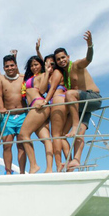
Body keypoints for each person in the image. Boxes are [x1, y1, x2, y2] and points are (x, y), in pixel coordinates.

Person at [54, 30, 101, 170]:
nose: (62, 60)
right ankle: (75, 160)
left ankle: (75, 125)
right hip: (81, 105)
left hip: (93, 98)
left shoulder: (76, 65)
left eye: (63, 57)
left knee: (69, 95)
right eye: (58, 59)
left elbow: (88, 59)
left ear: (68, 56)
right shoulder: (64, 75)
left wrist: (90, 45)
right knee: (73, 133)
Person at [36, 39, 71, 172]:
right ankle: (68, 164)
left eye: (52, 63)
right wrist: (38, 52)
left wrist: (45, 101)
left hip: (58, 100)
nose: (50, 65)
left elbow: (51, 90)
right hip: (56, 102)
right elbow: (43, 89)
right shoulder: (48, 75)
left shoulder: (57, 73)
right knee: (60, 135)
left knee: (55, 135)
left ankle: (59, 166)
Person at [19, 55, 53, 173]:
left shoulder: (43, 75)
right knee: (46, 139)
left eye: (36, 64)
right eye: (32, 65)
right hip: (35, 106)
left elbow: (42, 90)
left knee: (23, 134)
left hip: (38, 104)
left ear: (41, 65)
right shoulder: (29, 77)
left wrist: (47, 72)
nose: (34, 67)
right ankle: (49, 168)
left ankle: (34, 165)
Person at [0, 55, 27, 174]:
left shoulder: (23, 77)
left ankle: (22, 172)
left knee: (21, 146)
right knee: (7, 145)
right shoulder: (1, 79)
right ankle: (8, 171)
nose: (10, 68)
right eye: (7, 66)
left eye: (12, 65)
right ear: (4, 68)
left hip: (22, 115)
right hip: (8, 116)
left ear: (16, 66)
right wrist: (1, 107)